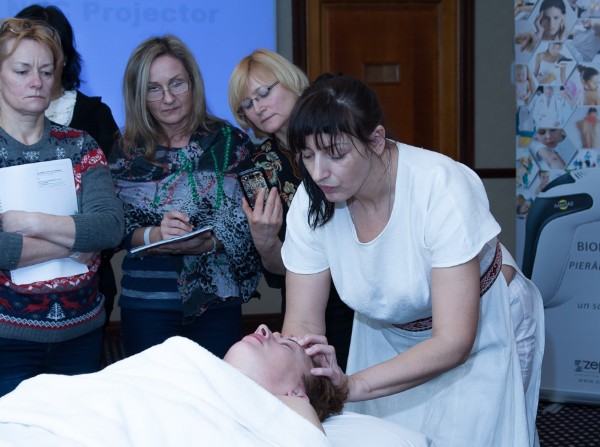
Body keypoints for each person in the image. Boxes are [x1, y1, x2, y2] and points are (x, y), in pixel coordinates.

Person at [280, 74, 545, 446]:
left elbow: (453, 341)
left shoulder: (441, 185)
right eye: (307, 155)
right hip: (385, 332)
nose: (318, 172)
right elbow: (303, 324)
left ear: (376, 140)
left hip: (483, 327)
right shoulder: (312, 201)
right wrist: (290, 387)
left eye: (336, 154)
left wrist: (352, 385)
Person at [110, 35, 261, 359]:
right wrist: (156, 235)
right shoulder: (125, 151)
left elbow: (256, 218)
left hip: (217, 304)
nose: (168, 98)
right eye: (153, 88)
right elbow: (116, 229)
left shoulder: (231, 143)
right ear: (138, 95)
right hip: (147, 305)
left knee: (217, 392)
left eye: (176, 83)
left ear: (193, 83)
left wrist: (211, 241)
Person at [0, 18, 124, 397]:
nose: (37, 82)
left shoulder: (81, 145)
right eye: (22, 71)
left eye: (46, 71)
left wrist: (32, 222)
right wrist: (75, 241)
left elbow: (109, 228)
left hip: (81, 335)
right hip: (6, 342)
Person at [228, 49, 354, 370]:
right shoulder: (257, 168)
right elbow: (282, 269)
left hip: (366, 281)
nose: (258, 108)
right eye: (247, 104)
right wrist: (265, 241)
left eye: (263, 93)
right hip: (310, 301)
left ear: (290, 81)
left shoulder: (340, 128)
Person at [15, 4, 121, 327]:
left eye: (48, 50)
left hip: (84, 293)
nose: (36, 75)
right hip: (12, 308)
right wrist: (68, 245)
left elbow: (110, 217)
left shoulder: (92, 121)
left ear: (63, 57)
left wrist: (91, 244)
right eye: (23, 65)